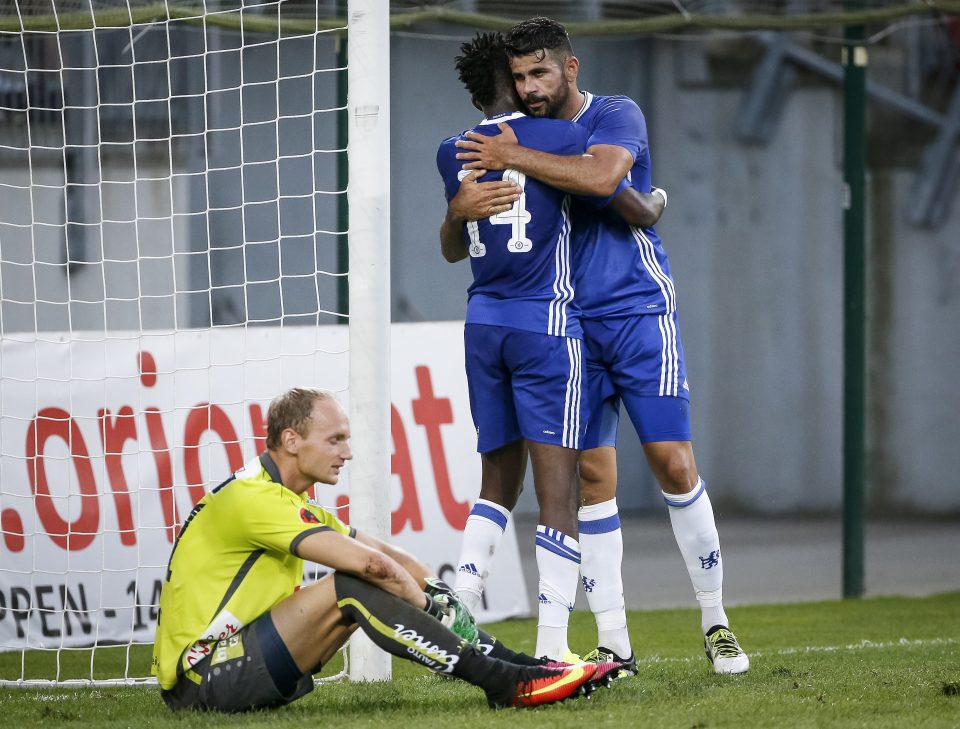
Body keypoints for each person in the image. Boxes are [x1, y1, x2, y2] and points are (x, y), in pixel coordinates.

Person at [452, 17, 749, 675]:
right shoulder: (521, 136)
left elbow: (602, 176)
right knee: (590, 478)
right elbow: (620, 201)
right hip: (566, 325)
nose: (531, 87)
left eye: (541, 72)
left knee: (673, 461)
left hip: (638, 310)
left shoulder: (614, 113)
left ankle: (715, 617)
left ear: (571, 68)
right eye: (520, 76)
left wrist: (515, 157)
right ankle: (614, 638)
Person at [152, 387, 617, 712]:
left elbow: (381, 550)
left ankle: (529, 668)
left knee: (370, 578)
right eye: (335, 439)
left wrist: (436, 590)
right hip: (204, 679)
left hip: (234, 663)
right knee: (355, 583)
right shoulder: (253, 501)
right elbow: (371, 565)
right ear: (291, 441)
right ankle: (504, 683)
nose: (348, 452)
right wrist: (427, 603)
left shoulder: (281, 496)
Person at [436, 32, 664, 662]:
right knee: (559, 494)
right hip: (546, 328)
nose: (537, 91)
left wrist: (457, 211)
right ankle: (555, 649)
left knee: (495, 481)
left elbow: (453, 245)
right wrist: (652, 207)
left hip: (483, 325)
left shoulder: (447, 151)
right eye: (525, 81)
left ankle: (461, 599)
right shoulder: (560, 136)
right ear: (513, 85)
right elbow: (606, 183)